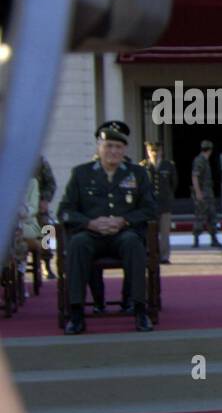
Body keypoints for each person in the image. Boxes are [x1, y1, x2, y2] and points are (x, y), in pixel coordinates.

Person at [57, 123, 158, 334]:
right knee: (77, 244)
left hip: (123, 234)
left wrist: (124, 220)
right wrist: (89, 223)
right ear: (98, 147)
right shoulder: (81, 174)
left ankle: (139, 310)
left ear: (124, 150)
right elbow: (65, 211)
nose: (113, 151)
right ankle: (76, 313)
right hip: (91, 235)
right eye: (109, 146)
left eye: (118, 147)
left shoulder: (137, 174)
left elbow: (150, 209)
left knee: (134, 244)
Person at [143, 141, 177, 263]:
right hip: (149, 205)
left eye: (156, 151)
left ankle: (164, 256)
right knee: (150, 233)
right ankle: (151, 255)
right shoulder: (143, 166)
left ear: (161, 151)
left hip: (165, 204)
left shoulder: (168, 166)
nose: (154, 153)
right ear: (148, 151)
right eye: (152, 151)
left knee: (164, 233)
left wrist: (167, 195)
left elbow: (173, 184)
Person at [190, 139, 219, 247]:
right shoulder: (200, 160)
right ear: (210, 150)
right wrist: (198, 192)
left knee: (212, 216)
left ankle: (214, 239)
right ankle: (196, 239)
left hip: (208, 193)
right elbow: (195, 176)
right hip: (203, 193)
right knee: (200, 216)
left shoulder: (204, 160)